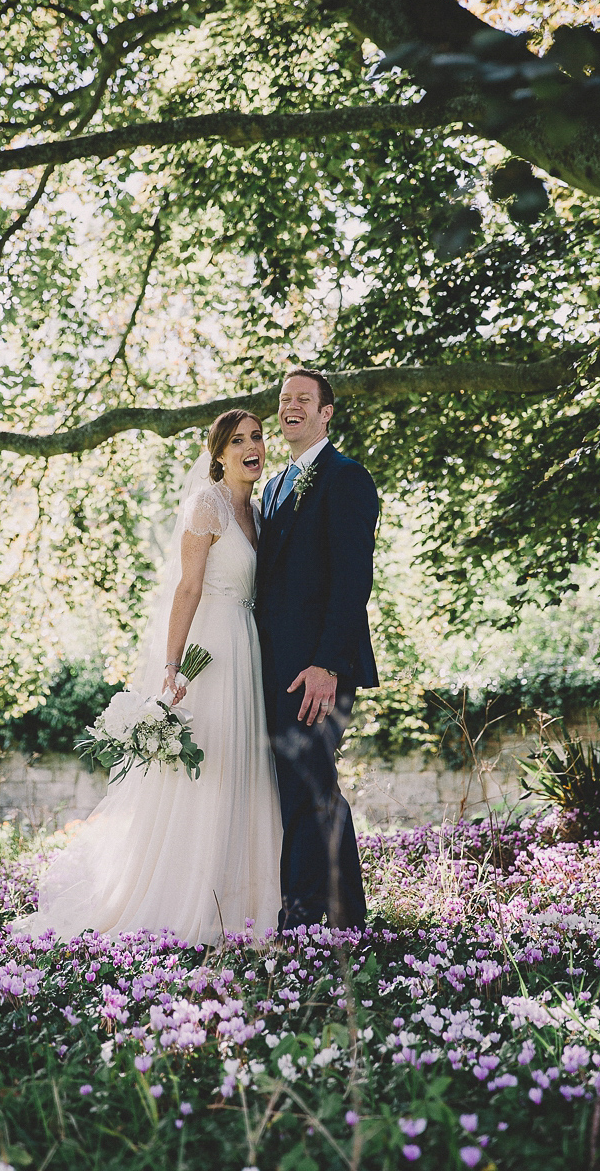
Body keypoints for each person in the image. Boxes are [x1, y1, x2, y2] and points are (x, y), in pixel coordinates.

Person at [14, 409, 281, 945]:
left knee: (242, 767)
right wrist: (172, 666)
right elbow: (187, 589)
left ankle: (240, 898)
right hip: (211, 647)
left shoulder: (258, 506)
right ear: (218, 453)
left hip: (248, 644)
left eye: (256, 438)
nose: (251, 448)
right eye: (237, 441)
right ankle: (185, 895)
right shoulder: (206, 504)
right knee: (206, 770)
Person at [255, 368, 379, 932]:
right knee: (305, 788)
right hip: (277, 669)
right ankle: (343, 919)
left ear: (326, 412)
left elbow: (354, 581)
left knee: (309, 786)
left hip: (319, 670)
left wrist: (328, 664)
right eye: (284, 400)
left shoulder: (347, 478)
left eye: (303, 399)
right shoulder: (275, 485)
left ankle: (306, 925)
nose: (290, 407)